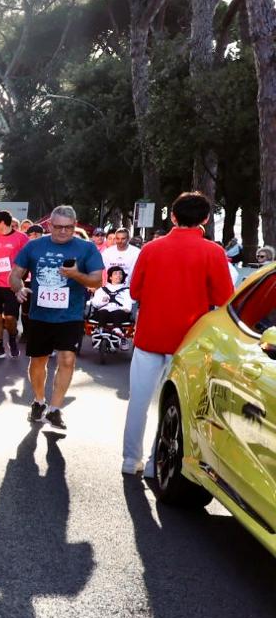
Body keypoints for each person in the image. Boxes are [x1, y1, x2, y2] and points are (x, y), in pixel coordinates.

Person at [122, 191, 234, 476]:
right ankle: (155, 463)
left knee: (139, 402)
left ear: (173, 216)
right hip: (188, 342)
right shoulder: (213, 252)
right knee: (174, 406)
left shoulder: (151, 249)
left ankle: (130, 459)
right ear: (206, 219)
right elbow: (224, 298)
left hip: (149, 335)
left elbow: (134, 291)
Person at [9, 204, 104, 430]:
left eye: (68, 227)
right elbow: (15, 274)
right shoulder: (34, 246)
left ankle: (55, 409)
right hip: (40, 315)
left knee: (67, 359)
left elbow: (97, 280)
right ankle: (39, 401)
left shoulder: (86, 248)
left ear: (75, 226)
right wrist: (18, 288)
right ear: (49, 225)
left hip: (70, 315)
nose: (63, 231)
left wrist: (76, 275)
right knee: (38, 361)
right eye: (58, 227)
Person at [0, 210, 29, 359]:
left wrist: (21, 277)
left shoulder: (21, 238)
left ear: (2, 223)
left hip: (12, 284)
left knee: (10, 318)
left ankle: (12, 339)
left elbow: (28, 258)